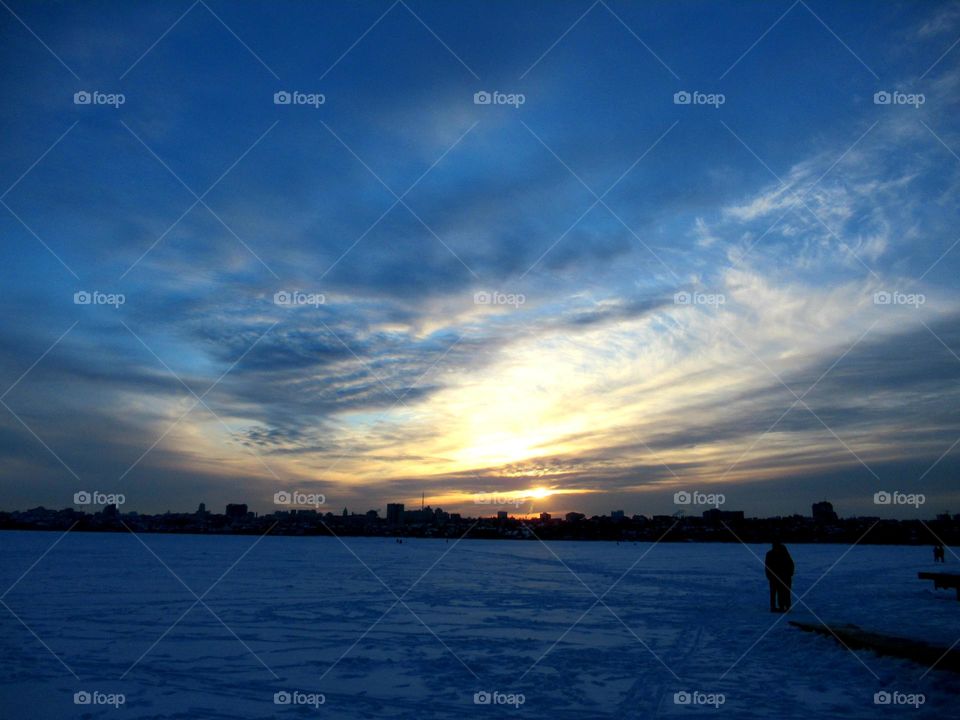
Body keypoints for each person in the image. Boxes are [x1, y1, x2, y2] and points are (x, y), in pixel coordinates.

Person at [765, 541, 795, 612]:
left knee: (781, 592)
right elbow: (768, 566)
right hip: (777, 576)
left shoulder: (783, 553)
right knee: (779, 592)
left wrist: (789, 574)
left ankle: (783, 606)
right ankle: (780, 607)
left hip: (783, 576)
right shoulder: (772, 554)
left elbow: (790, 565)